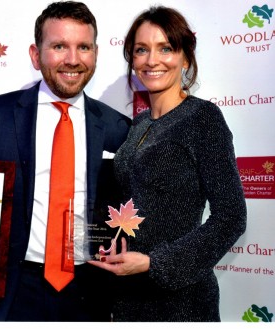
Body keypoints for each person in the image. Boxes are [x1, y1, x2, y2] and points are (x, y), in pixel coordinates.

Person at [0, 1, 131, 321]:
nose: (73, 59)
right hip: (10, 293)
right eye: (59, 46)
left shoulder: (118, 127)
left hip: (88, 293)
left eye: (83, 47)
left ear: (95, 53)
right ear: (35, 54)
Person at [88, 6, 247, 322]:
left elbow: (231, 217)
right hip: (128, 294)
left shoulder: (203, 119)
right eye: (141, 50)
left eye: (166, 49)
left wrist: (154, 263)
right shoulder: (139, 124)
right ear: (132, 60)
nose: (152, 60)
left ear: (185, 57)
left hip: (180, 299)